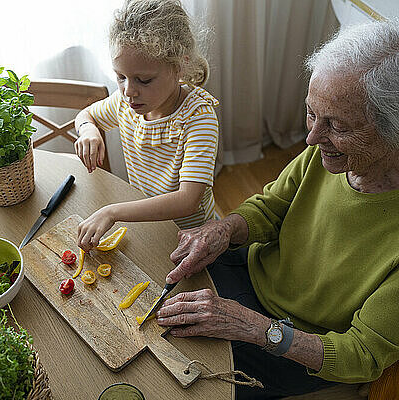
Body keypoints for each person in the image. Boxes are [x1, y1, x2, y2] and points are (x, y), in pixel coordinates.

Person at [156, 20, 399, 399]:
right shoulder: (326, 155)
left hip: (297, 347)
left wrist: (255, 328)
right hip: (252, 275)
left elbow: (362, 354)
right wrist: (226, 229)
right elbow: (271, 208)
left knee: (173, 379)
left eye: (336, 126)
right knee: (154, 283)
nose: (312, 138)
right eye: (311, 113)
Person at [74, 0, 219, 251]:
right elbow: (86, 115)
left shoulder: (198, 118)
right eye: (120, 77)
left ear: (179, 66)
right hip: (147, 224)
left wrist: (112, 212)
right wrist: (88, 129)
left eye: (143, 80)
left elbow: (188, 201)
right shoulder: (124, 102)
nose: (129, 91)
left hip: (190, 238)